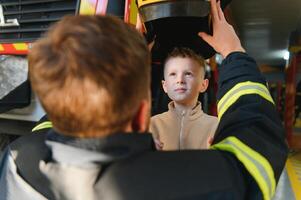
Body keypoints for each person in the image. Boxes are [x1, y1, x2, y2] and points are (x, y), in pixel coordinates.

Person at [0, 1, 287, 199]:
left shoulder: (17, 161)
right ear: (142, 116)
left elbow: (52, 125)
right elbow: (257, 138)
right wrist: (233, 52)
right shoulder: (198, 183)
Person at [150, 47, 218, 150]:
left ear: (204, 85)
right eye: (173, 74)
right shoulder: (151, 125)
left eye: (188, 74)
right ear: (165, 86)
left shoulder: (217, 126)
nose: (180, 80)